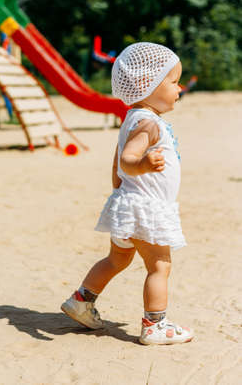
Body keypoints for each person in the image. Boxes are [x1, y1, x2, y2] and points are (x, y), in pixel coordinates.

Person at [61, 42, 194, 345]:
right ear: (148, 84)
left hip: (129, 205)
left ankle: (82, 300)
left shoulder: (133, 118)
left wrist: (118, 193)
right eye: (173, 81)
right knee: (160, 265)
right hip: (145, 208)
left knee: (117, 259)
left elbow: (115, 161)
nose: (180, 87)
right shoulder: (148, 123)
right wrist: (143, 164)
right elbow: (126, 159)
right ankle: (155, 324)